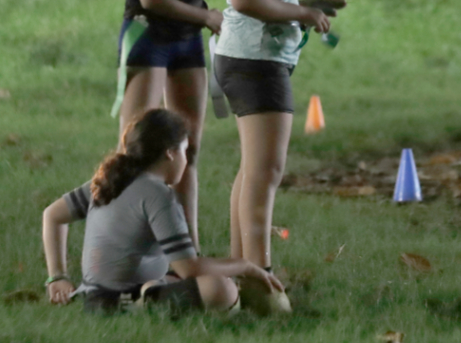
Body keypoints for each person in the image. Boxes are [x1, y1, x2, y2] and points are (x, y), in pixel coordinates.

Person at [208, 0, 345, 303]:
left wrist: (305, 6)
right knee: (266, 171)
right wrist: (300, 14)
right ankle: (261, 279)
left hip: (250, 57)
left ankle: (237, 273)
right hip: (254, 61)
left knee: (253, 169)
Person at [42, 108, 283, 312]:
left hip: (92, 295)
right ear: (170, 152)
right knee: (221, 288)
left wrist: (58, 277)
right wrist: (244, 266)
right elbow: (188, 268)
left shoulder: (111, 179)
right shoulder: (159, 195)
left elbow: (51, 215)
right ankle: (146, 304)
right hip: (118, 301)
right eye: (184, 151)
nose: (186, 161)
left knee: (180, 278)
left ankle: (150, 293)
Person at [113, 0, 220, 249]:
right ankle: (121, 244)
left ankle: (186, 248)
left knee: (187, 148)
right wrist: (209, 16)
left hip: (187, 36)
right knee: (136, 148)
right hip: (150, 33)